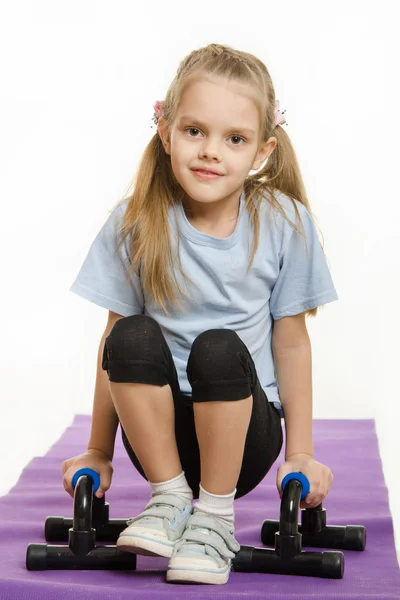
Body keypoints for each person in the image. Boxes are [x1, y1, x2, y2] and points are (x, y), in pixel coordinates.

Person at [62, 42, 338, 585]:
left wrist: (300, 452)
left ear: (262, 150)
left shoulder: (284, 223)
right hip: (158, 440)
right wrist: (98, 449)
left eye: (234, 139)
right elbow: (113, 344)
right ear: (165, 132)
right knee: (133, 336)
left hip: (243, 433)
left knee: (218, 345)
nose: (212, 151)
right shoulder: (138, 221)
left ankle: (213, 515)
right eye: (195, 132)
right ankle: (170, 501)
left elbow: (292, 341)